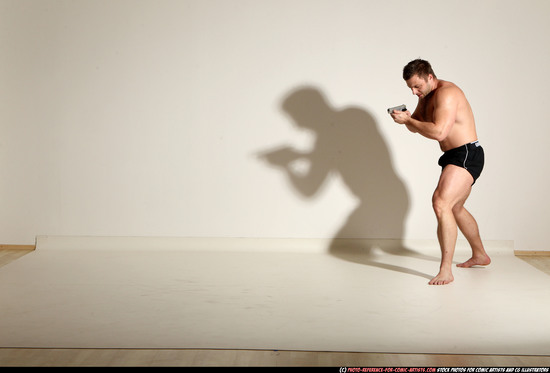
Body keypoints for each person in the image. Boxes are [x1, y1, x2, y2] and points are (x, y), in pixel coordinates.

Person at [390, 59, 491, 285]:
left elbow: (439, 133)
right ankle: (480, 255)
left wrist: (409, 121)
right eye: (410, 88)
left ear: (430, 77)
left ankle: (446, 270)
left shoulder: (447, 93)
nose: (415, 92)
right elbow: (415, 125)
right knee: (454, 207)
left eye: (417, 86)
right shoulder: (426, 96)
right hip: (454, 155)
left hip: (467, 153)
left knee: (440, 202)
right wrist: (404, 118)